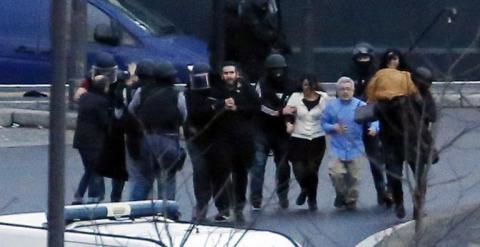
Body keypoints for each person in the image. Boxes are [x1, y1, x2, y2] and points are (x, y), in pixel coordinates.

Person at [367, 49, 421, 218]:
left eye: (395, 58)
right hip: (393, 139)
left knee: (413, 174)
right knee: (397, 175)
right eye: (390, 59)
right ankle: (400, 202)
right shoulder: (402, 80)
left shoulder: (406, 78)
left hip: (407, 138)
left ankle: (415, 205)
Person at [209, 61, 261, 222]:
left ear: (237, 73)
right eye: (226, 73)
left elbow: (256, 107)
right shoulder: (217, 89)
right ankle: (223, 208)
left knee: (240, 174)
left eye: (231, 73)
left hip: (243, 139)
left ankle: (239, 205)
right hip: (222, 139)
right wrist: (222, 104)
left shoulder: (246, 88)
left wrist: (237, 108)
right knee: (221, 174)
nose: (228, 76)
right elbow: (209, 108)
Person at [128, 60, 187, 201]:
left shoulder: (142, 92)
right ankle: (167, 214)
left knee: (143, 180)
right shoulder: (176, 94)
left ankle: (134, 212)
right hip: (169, 139)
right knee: (167, 180)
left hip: (146, 139)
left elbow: (131, 109)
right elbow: (184, 115)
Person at [322, 77, 379, 210]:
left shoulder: (360, 106)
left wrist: (374, 128)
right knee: (335, 173)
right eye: (342, 89)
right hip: (338, 147)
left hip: (356, 147)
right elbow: (324, 123)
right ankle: (340, 194)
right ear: (337, 91)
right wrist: (334, 127)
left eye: (348, 89)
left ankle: (351, 200)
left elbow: (374, 120)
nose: (345, 92)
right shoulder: (331, 106)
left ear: (353, 90)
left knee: (355, 177)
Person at [346, 42, 392, 206]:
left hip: (382, 118)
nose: (363, 61)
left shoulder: (379, 74)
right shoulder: (350, 76)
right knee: (374, 158)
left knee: (389, 155)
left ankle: (391, 189)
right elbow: (345, 95)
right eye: (360, 58)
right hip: (361, 120)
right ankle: (381, 191)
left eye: (366, 58)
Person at [184, 63, 230, 222]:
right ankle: (202, 206)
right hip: (197, 139)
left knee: (220, 172)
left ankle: (223, 207)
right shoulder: (189, 93)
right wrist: (216, 106)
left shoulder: (218, 90)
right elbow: (194, 113)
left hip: (216, 137)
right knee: (201, 172)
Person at [249, 53, 293, 210]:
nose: (278, 73)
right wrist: (280, 112)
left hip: (282, 132)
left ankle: (283, 196)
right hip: (261, 130)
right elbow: (258, 105)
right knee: (258, 165)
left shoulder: (291, 85)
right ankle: (256, 199)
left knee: (283, 166)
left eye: (280, 70)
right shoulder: (261, 84)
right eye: (274, 70)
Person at [282, 74, 330, 211]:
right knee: (298, 167)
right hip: (298, 137)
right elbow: (288, 112)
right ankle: (304, 188)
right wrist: (288, 123)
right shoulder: (295, 97)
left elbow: (331, 113)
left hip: (317, 137)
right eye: (305, 85)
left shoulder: (324, 98)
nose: (307, 88)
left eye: (310, 85)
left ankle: (312, 199)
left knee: (312, 169)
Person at [72, 75, 112, 204]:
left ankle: (79, 195)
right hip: (94, 141)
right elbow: (104, 122)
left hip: (80, 140)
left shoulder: (85, 98)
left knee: (89, 169)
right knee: (94, 169)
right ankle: (93, 198)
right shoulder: (101, 102)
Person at [235, 0, 290, 83]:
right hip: (252, 58)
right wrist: (273, 35)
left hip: (266, 56)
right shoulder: (248, 10)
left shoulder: (273, 9)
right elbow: (261, 33)